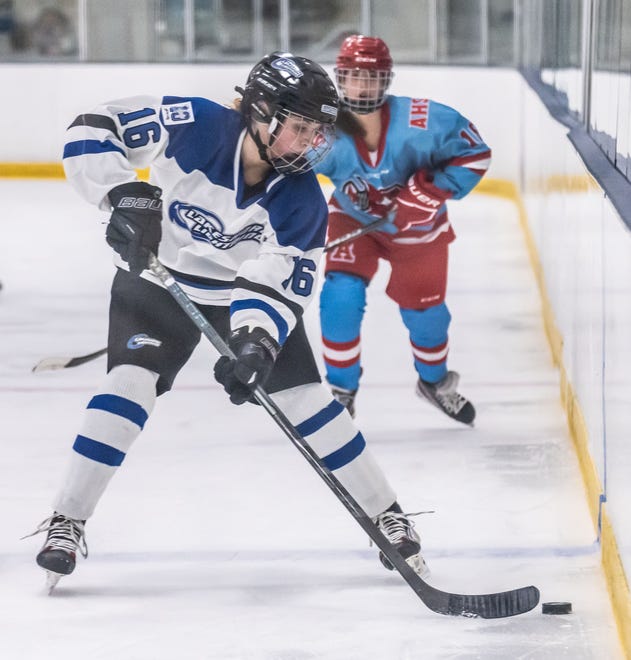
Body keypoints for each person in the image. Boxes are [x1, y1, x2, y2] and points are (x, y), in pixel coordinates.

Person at [27, 52, 429, 588]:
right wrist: (121, 193)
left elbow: (276, 279)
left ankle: (386, 516)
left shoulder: (302, 202)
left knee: (307, 399)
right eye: (301, 127)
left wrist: (257, 345)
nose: (310, 143)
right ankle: (67, 521)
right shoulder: (193, 123)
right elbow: (96, 126)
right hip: (156, 278)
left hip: (237, 294)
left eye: (317, 132)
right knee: (128, 386)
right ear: (262, 112)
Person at [316, 35, 491, 424]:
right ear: (339, 79)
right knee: (339, 300)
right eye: (353, 77)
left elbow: (476, 154)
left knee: (426, 316)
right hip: (354, 221)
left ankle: (434, 383)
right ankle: (342, 393)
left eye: (372, 77)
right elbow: (285, 173)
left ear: (386, 80)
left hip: (419, 229)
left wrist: (427, 194)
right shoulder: (322, 130)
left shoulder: (424, 120)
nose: (362, 86)